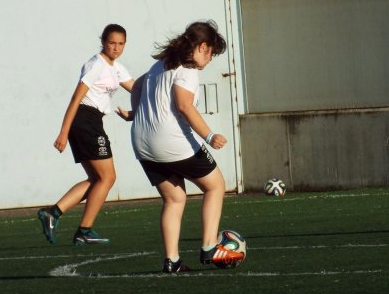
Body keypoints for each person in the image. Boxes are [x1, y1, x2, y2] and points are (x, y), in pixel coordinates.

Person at [118, 20, 244, 273]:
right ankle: (209, 245)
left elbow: (138, 86)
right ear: (202, 47)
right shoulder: (187, 70)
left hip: (142, 143)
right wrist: (209, 136)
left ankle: (172, 260)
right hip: (172, 142)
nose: (210, 61)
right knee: (216, 185)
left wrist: (136, 113)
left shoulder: (160, 65)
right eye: (211, 54)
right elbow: (185, 106)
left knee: (174, 198)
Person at [38, 24, 134, 246]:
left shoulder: (116, 68)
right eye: (112, 43)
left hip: (92, 122)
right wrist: (63, 133)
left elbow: (138, 89)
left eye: (121, 44)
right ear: (103, 42)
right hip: (85, 121)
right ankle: (84, 230)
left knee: (97, 179)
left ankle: (53, 213)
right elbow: (75, 99)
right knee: (108, 177)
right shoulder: (96, 65)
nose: (116, 47)